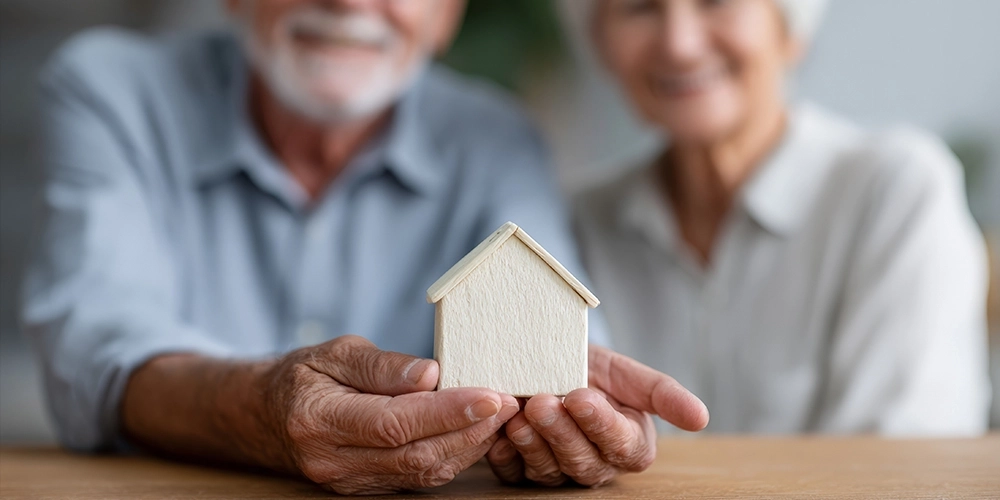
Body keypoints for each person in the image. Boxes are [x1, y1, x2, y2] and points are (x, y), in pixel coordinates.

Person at [22, 0, 708, 495]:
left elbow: (552, 315)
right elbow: (93, 346)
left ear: (447, 16)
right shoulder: (113, 92)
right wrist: (259, 409)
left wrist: (587, 408)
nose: (349, 2)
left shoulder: (500, 140)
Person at [573, 0, 991, 435]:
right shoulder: (575, 223)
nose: (680, 45)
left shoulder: (895, 190)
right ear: (601, 45)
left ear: (791, 30)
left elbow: (903, 455)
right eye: (639, 8)